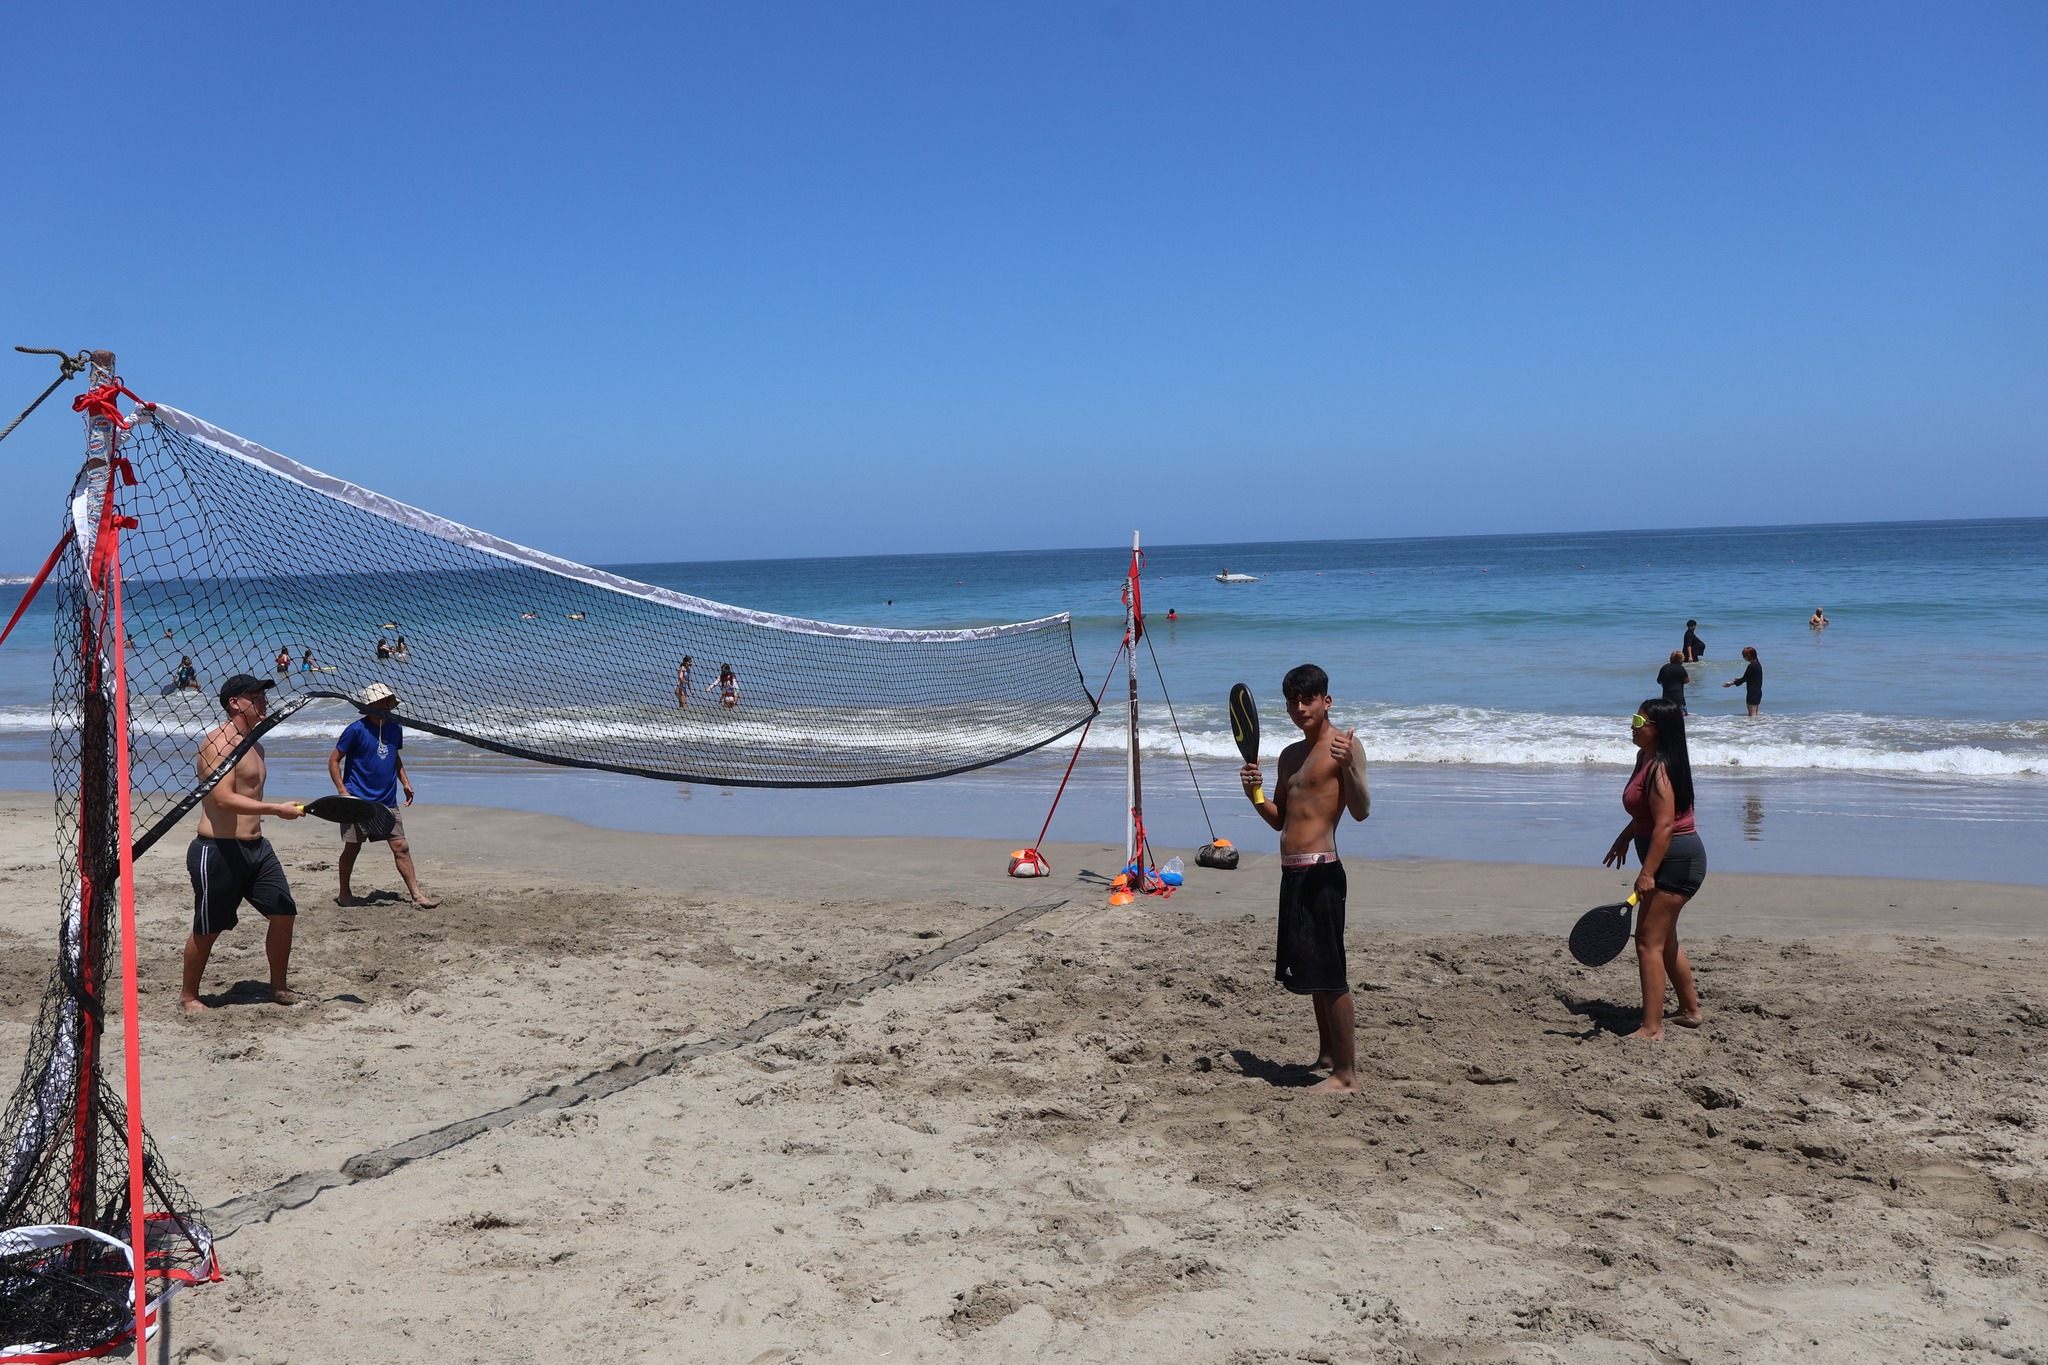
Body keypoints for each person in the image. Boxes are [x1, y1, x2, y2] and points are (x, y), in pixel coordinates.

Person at [1238, 664, 1371, 1094]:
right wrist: (1254, 795)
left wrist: (1349, 767)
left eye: (1308, 699)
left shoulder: (1343, 746)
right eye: (1293, 702)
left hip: (1323, 872)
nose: (1300, 708)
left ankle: (1345, 1076)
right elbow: (1279, 821)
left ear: (1326, 701)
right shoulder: (1289, 756)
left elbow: (1362, 809)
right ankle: (1328, 1056)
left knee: (1331, 975)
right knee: (1314, 974)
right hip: (1292, 874)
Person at [182, 675, 305, 1011]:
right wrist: (276, 810)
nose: (264, 701)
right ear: (234, 703)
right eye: (255, 696)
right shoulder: (217, 744)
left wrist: (274, 811)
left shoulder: (256, 744)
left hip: (257, 848)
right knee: (208, 928)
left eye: (264, 695)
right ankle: (189, 996)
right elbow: (222, 800)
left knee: (284, 913)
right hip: (218, 850)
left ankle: (277, 987)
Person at [1601, 697, 1707, 1040]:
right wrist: (1625, 836)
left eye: (1638, 721)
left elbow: (1664, 826)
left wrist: (1647, 873)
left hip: (1677, 863)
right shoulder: (1643, 758)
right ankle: (1690, 1011)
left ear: (1658, 730)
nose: (1632, 725)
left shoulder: (1661, 768)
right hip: (1667, 858)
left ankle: (1651, 1028)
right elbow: (1645, 815)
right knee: (1664, 937)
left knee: (1647, 940)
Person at [329, 681, 437, 908]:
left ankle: (417, 895)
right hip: (357, 801)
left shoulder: (395, 728)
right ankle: (345, 894)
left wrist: (406, 782)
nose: (387, 705)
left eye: (388, 701)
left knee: (401, 847)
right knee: (352, 848)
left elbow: (394, 757)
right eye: (382, 701)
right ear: (371, 705)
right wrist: (342, 791)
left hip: (387, 801)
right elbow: (334, 760)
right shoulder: (356, 730)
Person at [1723, 646, 1763, 716]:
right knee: (1755, 714)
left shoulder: (1751, 666)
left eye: (1744, 655)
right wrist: (1738, 680)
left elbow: (1744, 679)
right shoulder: (1758, 665)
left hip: (1752, 693)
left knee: (1752, 715)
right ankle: (1756, 726)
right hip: (1757, 692)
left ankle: (1753, 726)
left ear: (1749, 655)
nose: (1743, 657)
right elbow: (1749, 678)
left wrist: (1731, 683)